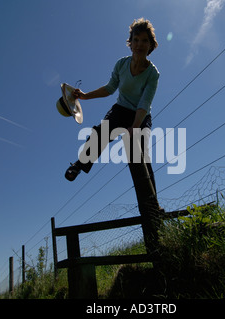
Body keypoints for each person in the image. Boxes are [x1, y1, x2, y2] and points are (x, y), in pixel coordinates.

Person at [65, 18, 160, 195]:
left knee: (140, 155)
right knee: (101, 132)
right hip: (121, 109)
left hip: (142, 115)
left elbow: (145, 102)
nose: (139, 44)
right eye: (136, 40)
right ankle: (79, 164)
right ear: (130, 43)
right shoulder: (121, 64)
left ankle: (152, 205)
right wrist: (85, 96)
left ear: (151, 45)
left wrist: (135, 126)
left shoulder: (153, 74)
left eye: (144, 40)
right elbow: (109, 88)